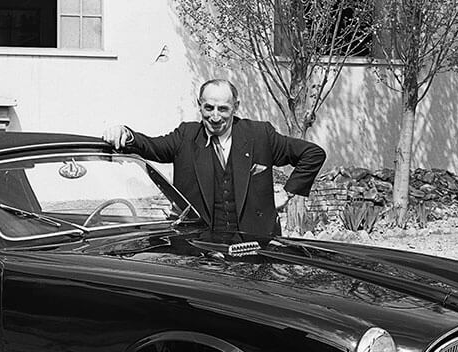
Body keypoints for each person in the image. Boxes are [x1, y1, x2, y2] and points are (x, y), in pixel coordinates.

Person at [102, 79, 325, 238]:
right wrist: (125, 134)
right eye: (208, 108)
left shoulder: (259, 135)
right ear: (199, 105)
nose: (215, 116)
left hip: (256, 244)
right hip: (201, 247)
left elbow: (312, 154)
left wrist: (287, 192)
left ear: (236, 107)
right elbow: (152, 146)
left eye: (223, 109)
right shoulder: (186, 136)